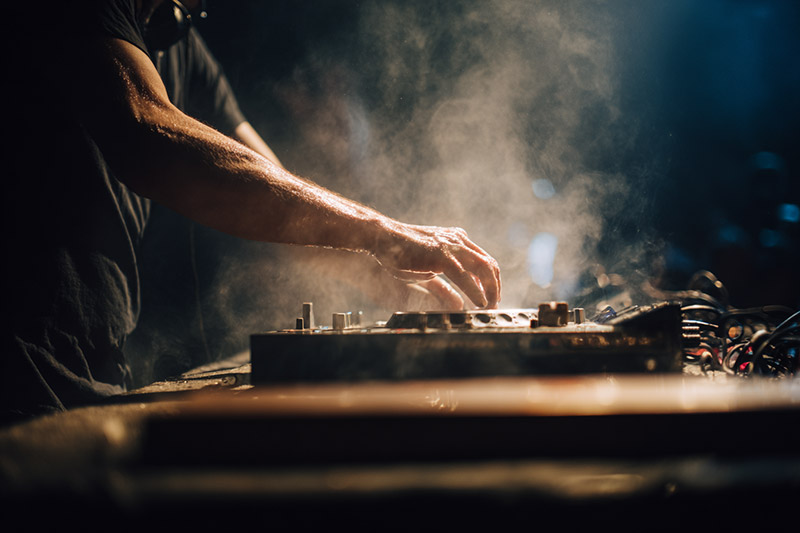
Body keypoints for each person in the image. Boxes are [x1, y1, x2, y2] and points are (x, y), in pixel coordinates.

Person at [0, 0, 501, 423]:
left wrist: (397, 288)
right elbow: (147, 133)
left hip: (95, 364)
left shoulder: (180, 40)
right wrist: (381, 233)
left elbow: (275, 194)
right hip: (17, 373)